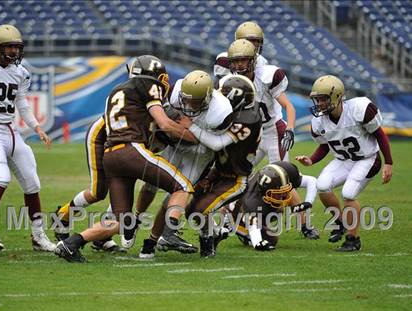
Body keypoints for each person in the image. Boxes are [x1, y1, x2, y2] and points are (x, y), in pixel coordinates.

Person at [54, 55, 198, 262]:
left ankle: (71, 244)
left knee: (119, 222)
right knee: (183, 187)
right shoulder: (149, 86)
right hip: (130, 149)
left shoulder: (116, 91)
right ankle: (169, 234)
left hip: (111, 155)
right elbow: (164, 124)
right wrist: (193, 135)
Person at [226, 39, 318, 239]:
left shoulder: (267, 76)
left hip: (274, 131)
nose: (240, 65)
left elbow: (289, 107)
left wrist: (290, 129)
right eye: (236, 61)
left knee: (283, 178)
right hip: (254, 135)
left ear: (253, 60)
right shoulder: (231, 82)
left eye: (244, 60)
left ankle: (305, 224)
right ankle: (238, 221)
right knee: (237, 174)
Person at [136, 70, 233, 259]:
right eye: (186, 100)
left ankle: (154, 240)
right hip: (175, 145)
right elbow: (165, 120)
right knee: (151, 182)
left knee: (178, 193)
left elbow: (210, 143)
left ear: (207, 97)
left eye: (195, 101)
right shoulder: (177, 91)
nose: (189, 104)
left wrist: (190, 129)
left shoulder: (221, 111)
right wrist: (180, 130)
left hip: (200, 154)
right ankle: (135, 219)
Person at [296, 75, 393, 251]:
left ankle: (353, 239)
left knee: (348, 193)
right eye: (316, 99)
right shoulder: (318, 121)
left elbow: (379, 134)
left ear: (337, 96)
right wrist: (311, 159)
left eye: (323, 99)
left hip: (367, 158)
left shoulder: (359, 109)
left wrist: (388, 162)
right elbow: (325, 146)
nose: (319, 103)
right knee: (322, 185)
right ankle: (340, 223)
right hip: (343, 159)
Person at [180, 74, 262, 257]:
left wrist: (191, 127)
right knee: (192, 210)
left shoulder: (247, 119)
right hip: (218, 170)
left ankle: (212, 239)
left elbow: (217, 144)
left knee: (200, 211)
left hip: (236, 178)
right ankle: (212, 239)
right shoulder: (234, 111)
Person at [0, 24, 55, 252]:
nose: (13, 52)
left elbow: (21, 103)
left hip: (10, 130)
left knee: (32, 181)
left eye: (16, 48)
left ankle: (38, 236)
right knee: (0, 175)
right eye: (8, 47)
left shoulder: (20, 72)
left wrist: (37, 127)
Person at [53, 115, 125, 253]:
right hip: (102, 136)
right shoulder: (149, 98)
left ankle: (103, 236)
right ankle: (63, 215)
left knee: (123, 186)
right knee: (98, 191)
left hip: (124, 140)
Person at [220, 162, 317, 251]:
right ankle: (234, 224)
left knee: (287, 193)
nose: (283, 197)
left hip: (260, 205)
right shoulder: (252, 202)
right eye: (278, 194)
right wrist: (258, 243)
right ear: (264, 191)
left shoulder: (286, 171)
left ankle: (305, 226)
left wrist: (308, 202)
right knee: (271, 239)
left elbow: (311, 181)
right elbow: (254, 228)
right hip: (239, 209)